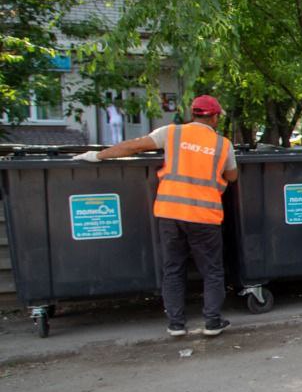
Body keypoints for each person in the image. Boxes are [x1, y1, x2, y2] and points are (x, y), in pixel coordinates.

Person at [74, 95, 238, 338]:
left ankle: (176, 324)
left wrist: (98, 156)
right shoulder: (223, 145)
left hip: (170, 213)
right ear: (214, 117)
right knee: (212, 271)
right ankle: (212, 322)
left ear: (193, 114)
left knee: (173, 269)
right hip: (204, 215)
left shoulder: (171, 133)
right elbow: (232, 177)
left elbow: (134, 146)